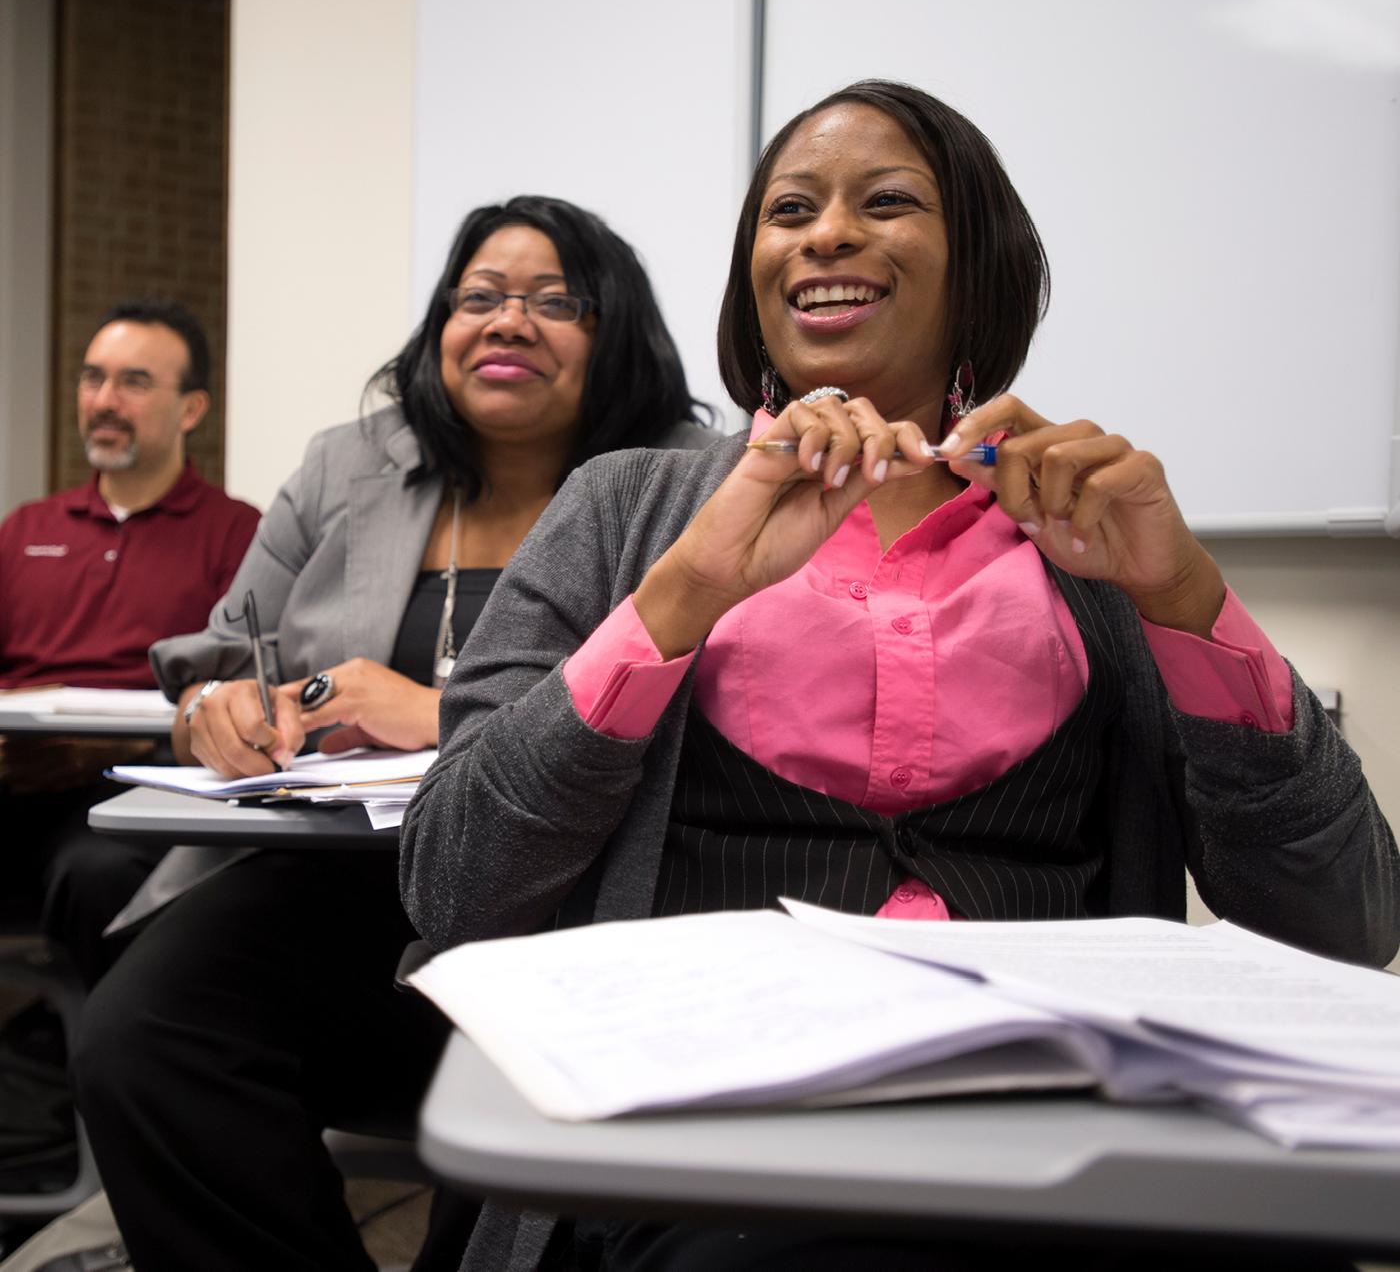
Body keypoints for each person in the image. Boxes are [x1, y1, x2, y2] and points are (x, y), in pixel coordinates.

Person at [399, 83, 1400, 1272]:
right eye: (788, 210)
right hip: (709, 1144)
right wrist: (680, 598)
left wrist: (1182, 599)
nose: (824, 235)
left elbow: (1346, 920)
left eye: (884, 202)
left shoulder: (1088, 541)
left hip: (1052, 1141)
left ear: (971, 266)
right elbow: (452, 881)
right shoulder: (628, 508)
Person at [71, 195, 713, 1272]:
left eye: (557, 302)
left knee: (517, 1127)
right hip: (339, 888)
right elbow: (220, 659)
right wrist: (214, 716)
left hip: (569, 907)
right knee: (145, 1035)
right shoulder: (348, 466)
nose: (508, 322)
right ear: (438, 326)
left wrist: (442, 720)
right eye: (479, 297)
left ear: (620, 338)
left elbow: (713, 723)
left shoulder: (687, 483)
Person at [0, 297, 260, 985]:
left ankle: (92, 1071)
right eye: (93, 378)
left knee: (101, 874)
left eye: (134, 382)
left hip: (133, 788)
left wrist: (116, 749)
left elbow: (240, 690)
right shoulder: (27, 528)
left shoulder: (236, 534)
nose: (105, 400)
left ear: (191, 410)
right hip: (12, 775)